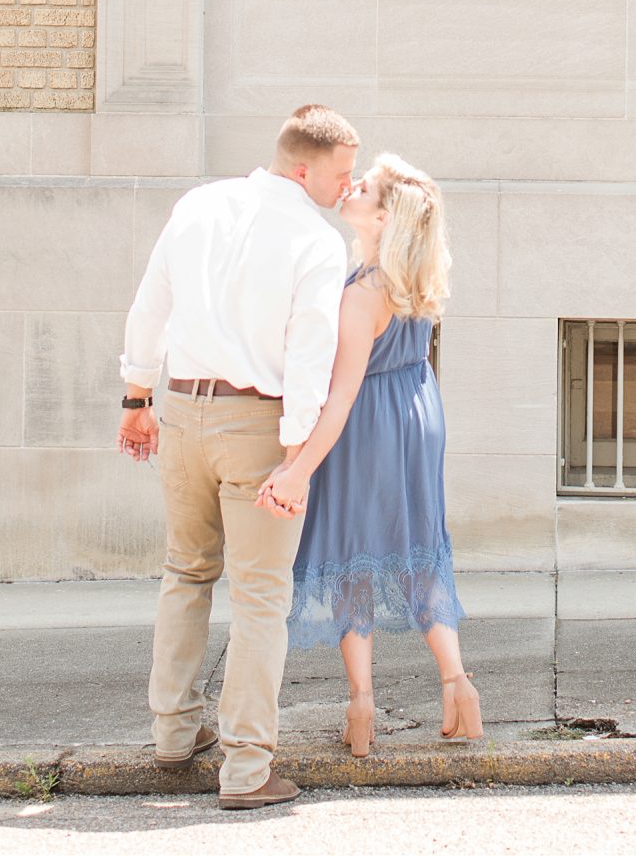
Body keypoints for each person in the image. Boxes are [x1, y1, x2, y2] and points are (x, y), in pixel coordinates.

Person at [117, 104, 358, 811]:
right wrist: (297, 461)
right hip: (260, 422)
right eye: (342, 174)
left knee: (185, 572)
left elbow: (150, 306)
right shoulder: (316, 240)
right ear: (303, 168)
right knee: (259, 597)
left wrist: (137, 400)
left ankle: (173, 732)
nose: (349, 187)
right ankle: (248, 769)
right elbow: (311, 355)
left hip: (183, 411)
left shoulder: (199, 205)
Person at [256, 154, 482, 756]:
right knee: (417, 545)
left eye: (364, 189)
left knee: (355, 551)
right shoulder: (411, 276)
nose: (350, 189)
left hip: (371, 421)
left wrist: (297, 467)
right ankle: (458, 686)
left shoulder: (363, 292)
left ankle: (361, 705)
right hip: (416, 408)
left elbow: (342, 393)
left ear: (382, 218)